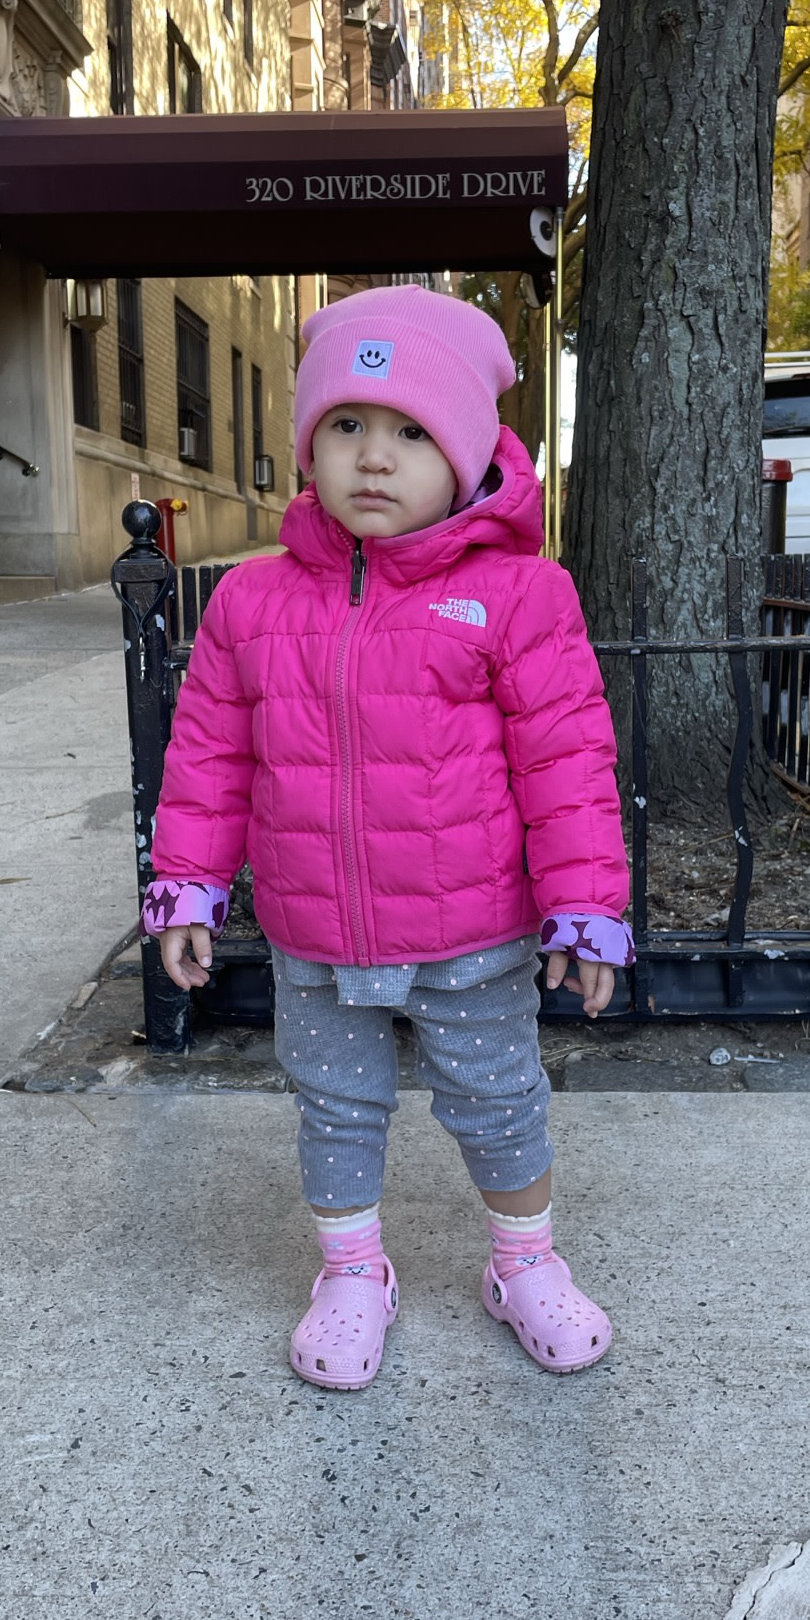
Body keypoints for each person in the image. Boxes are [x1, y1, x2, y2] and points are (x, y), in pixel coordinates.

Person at [143, 285, 633, 1391]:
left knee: (498, 1099)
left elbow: (566, 763)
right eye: (348, 425)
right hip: (316, 931)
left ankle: (525, 1261)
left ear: (467, 454)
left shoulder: (520, 596)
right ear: (308, 445)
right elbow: (209, 754)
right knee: (335, 1106)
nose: (374, 456)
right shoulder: (251, 603)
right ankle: (353, 1270)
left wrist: (586, 905)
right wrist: (187, 883)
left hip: (473, 928)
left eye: (413, 431)